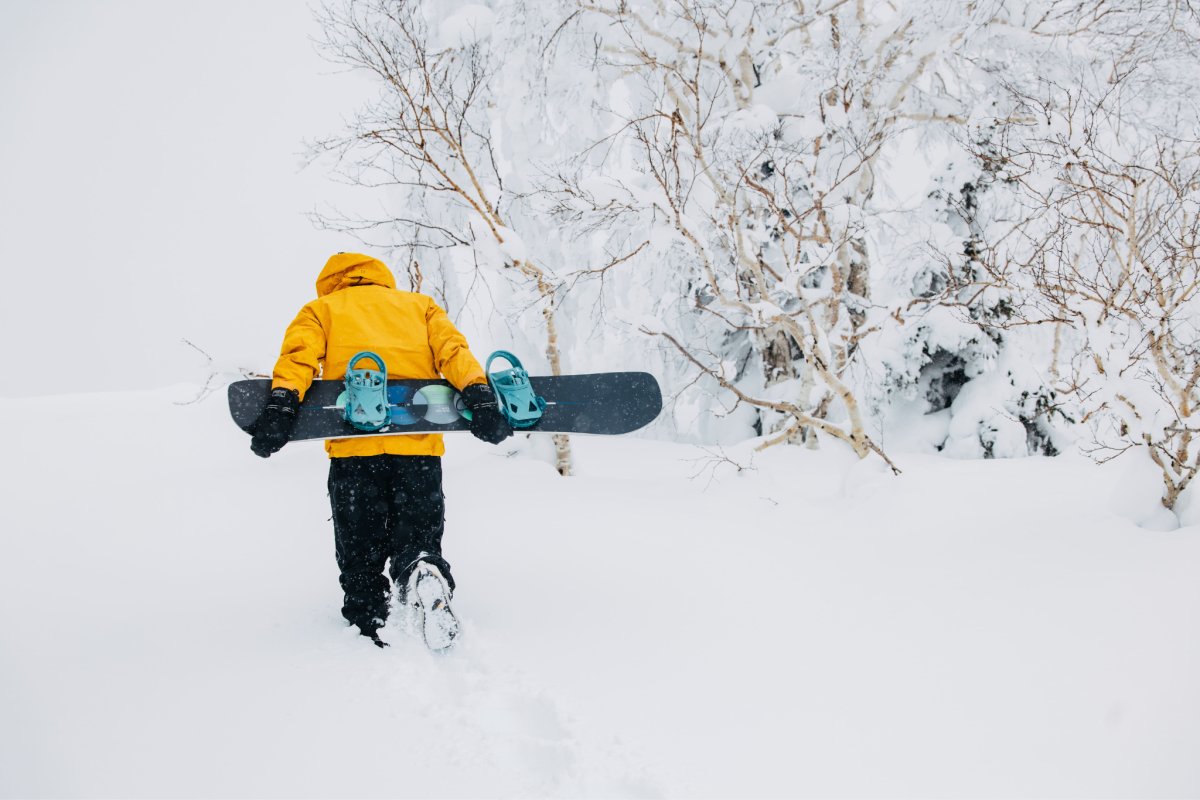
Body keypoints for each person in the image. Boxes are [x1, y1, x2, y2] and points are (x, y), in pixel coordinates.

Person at [248, 252, 512, 649]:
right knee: (419, 528)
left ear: (332, 281)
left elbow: (298, 358)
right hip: (418, 451)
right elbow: (452, 351)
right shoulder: (418, 306)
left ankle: (368, 614)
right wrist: (480, 395)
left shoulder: (322, 309)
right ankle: (422, 566)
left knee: (360, 543)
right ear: (379, 277)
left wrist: (281, 405)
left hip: (355, 453)